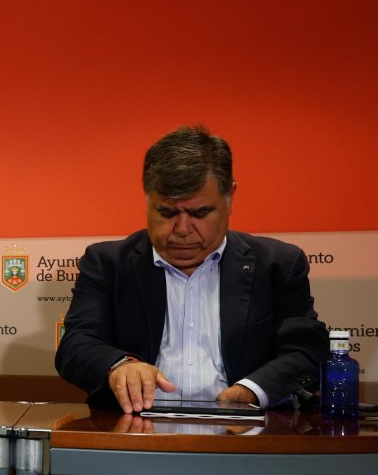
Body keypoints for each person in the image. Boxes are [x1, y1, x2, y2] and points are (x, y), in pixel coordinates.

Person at [55, 125, 327, 413]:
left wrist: (253, 390)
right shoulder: (108, 263)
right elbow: (76, 346)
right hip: (134, 435)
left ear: (230, 197)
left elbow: (307, 351)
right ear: (147, 198)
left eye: (199, 213)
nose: (182, 230)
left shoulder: (278, 264)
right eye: (167, 213)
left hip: (246, 438)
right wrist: (119, 366)